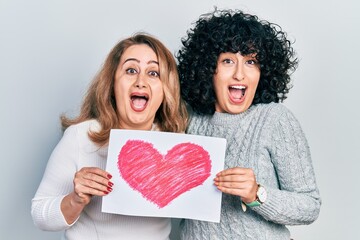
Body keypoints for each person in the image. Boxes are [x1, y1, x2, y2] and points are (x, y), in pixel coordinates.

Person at [176, 8, 321, 239]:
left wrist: (256, 193)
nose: (240, 75)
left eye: (251, 61)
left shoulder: (274, 119)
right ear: (207, 69)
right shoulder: (189, 120)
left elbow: (310, 205)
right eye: (228, 61)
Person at [31, 33, 188, 240]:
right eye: (131, 70)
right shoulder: (81, 137)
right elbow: (39, 215)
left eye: (153, 73)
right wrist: (75, 199)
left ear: (166, 89)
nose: (141, 81)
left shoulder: (176, 144)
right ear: (113, 84)